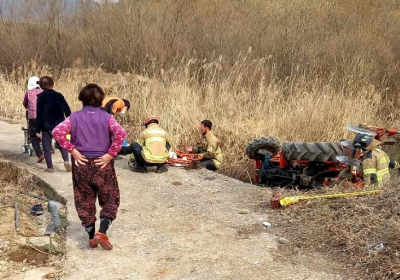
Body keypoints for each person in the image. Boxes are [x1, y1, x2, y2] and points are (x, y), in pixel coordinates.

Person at [52, 84, 126, 250]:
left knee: (84, 201)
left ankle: (92, 236)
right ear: (101, 100)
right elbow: (121, 134)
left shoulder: (74, 117)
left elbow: (57, 132)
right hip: (103, 164)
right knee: (110, 198)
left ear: (81, 99)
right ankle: (102, 231)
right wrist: (110, 154)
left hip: (82, 164)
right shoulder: (107, 117)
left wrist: (73, 151)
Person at [35, 76, 71, 173]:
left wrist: (37, 130)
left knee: (46, 146)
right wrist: (70, 121)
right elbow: (67, 110)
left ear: (41, 87)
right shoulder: (59, 95)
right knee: (62, 143)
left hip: (46, 126)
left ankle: (50, 167)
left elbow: (39, 115)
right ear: (52, 84)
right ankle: (66, 160)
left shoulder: (40, 98)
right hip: (59, 124)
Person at [22, 76, 44, 162]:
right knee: (45, 132)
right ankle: (47, 148)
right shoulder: (43, 91)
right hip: (44, 117)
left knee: (33, 136)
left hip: (33, 117)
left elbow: (25, 103)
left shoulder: (28, 93)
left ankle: (39, 154)